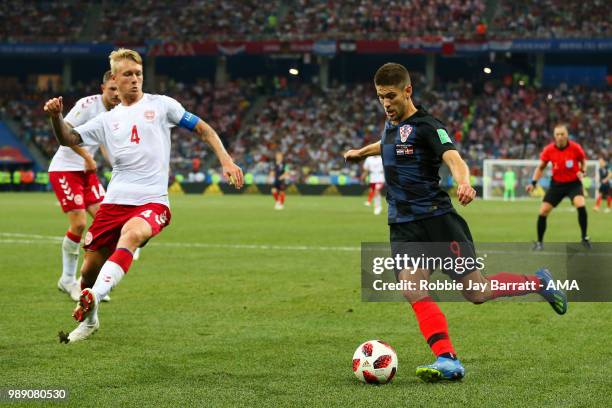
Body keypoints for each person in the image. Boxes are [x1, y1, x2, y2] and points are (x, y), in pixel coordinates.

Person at [344, 63, 567, 383]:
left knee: (476, 292)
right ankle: (447, 358)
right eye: (381, 97)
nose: (386, 103)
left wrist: (463, 182)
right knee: (411, 285)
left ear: (408, 91)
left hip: (438, 221)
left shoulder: (428, 125)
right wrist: (361, 153)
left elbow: (453, 158)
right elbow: (387, 145)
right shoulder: (390, 124)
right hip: (403, 225)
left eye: (391, 96)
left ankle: (538, 282)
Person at [44, 48, 244, 343]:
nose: (135, 79)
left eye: (138, 74)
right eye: (128, 74)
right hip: (115, 201)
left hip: (152, 201)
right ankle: (90, 319)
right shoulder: (106, 120)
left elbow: (203, 129)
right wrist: (56, 117)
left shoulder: (163, 106)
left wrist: (226, 160)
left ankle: (96, 296)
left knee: (132, 235)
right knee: (88, 271)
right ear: (115, 78)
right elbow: (68, 138)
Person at [49, 71, 118, 301]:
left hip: (88, 173)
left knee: (105, 223)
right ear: (102, 88)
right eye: (112, 89)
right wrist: (87, 156)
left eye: (119, 89)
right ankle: (67, 280)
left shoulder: (118, 112)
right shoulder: (88, 104)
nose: (116, 94)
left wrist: (117, 164)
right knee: (79, 224)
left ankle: (89, 281)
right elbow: (65, 130)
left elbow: (105, 145)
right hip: (65, 169)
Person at [526, 124, 590, 250]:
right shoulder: (549, 150)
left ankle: (584, 238)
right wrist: (533, 183)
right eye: (557, 134)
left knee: (580, 204)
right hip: (557, 185)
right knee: (543, 211)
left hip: (573, 184)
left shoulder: (575, 148)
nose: (560, 137)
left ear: (567, 135)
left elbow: (583, 161)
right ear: (554, 136)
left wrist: (582, 171)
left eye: (562, 134)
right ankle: (539, 243)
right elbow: (541, 167)